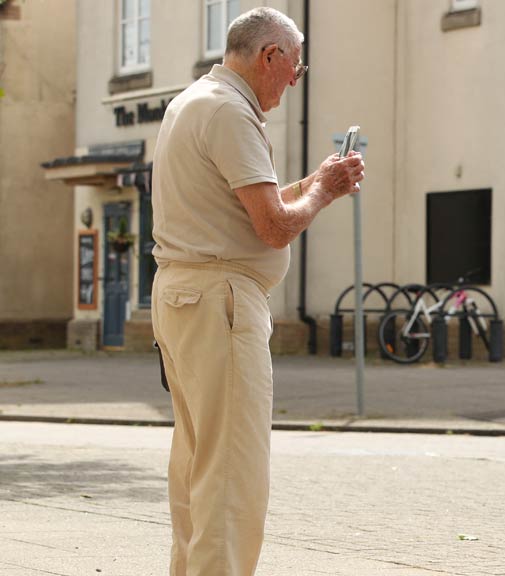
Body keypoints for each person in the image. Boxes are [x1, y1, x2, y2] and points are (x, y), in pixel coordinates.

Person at [150, 7, 364, 575]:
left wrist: (313, 183)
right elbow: (271, 227)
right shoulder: (231, 113)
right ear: (270, 56)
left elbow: (237, 212)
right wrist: (324, 192)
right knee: (231, 475)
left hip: (182, 294)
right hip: (222, 301)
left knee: (197, 467)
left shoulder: (191, 102)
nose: (294, 81)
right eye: (295, 68)